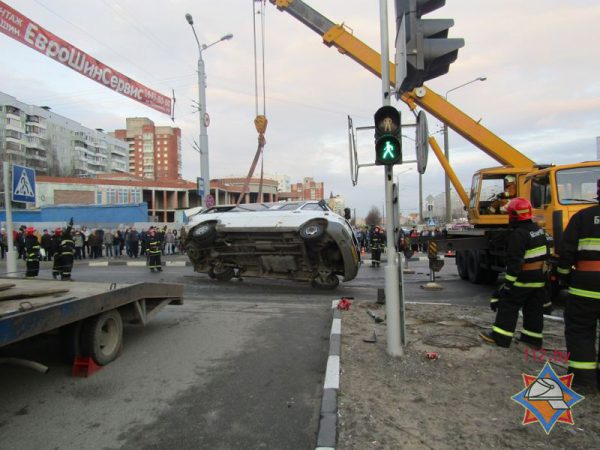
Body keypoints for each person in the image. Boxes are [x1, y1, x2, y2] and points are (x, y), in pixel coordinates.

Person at [480, 198, 551, 348]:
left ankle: (500, 337)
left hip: (524, 276)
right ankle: (533, 338)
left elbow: (515, 262)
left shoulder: (518, 234)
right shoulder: (538, 230)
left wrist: (507, 285)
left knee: (509, 304)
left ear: (514, 215)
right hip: (539, 276)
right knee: (533, 307)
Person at [556, 179, 600, 392]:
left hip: (586, 286)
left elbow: (566, 253)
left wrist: (562, 277)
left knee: (580, 331)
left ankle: (584, 381)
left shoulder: (583, 217)